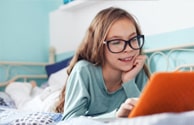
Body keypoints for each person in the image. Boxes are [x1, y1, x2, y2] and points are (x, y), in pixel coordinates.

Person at [55, 7, 150, 120]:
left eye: (133, 39)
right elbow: (70, 121)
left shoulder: (137, 70)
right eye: (116, 42)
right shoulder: (84, 71)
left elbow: (149, 114)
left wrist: (129, 82)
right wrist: (115, 115)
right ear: (99, 46)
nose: (129, 49)